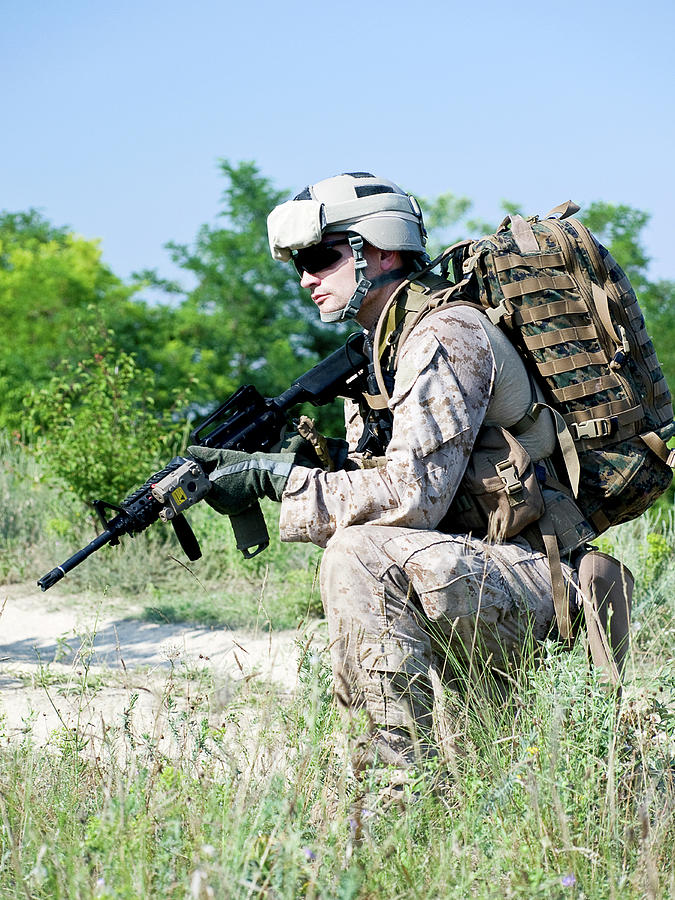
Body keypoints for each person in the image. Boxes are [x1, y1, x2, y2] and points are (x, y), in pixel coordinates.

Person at [188, 172, 574, 780]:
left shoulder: (444, 337)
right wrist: (322, 469)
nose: (306, 278)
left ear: (382, 249)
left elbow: (409, 499)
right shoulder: (380, 352)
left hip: (550, 580)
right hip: (480, 567)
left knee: (357, 553)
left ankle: (394, 787)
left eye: (320, 257)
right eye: (299, 265)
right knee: (359, 544)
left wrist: (275, 481)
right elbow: (397, 485)